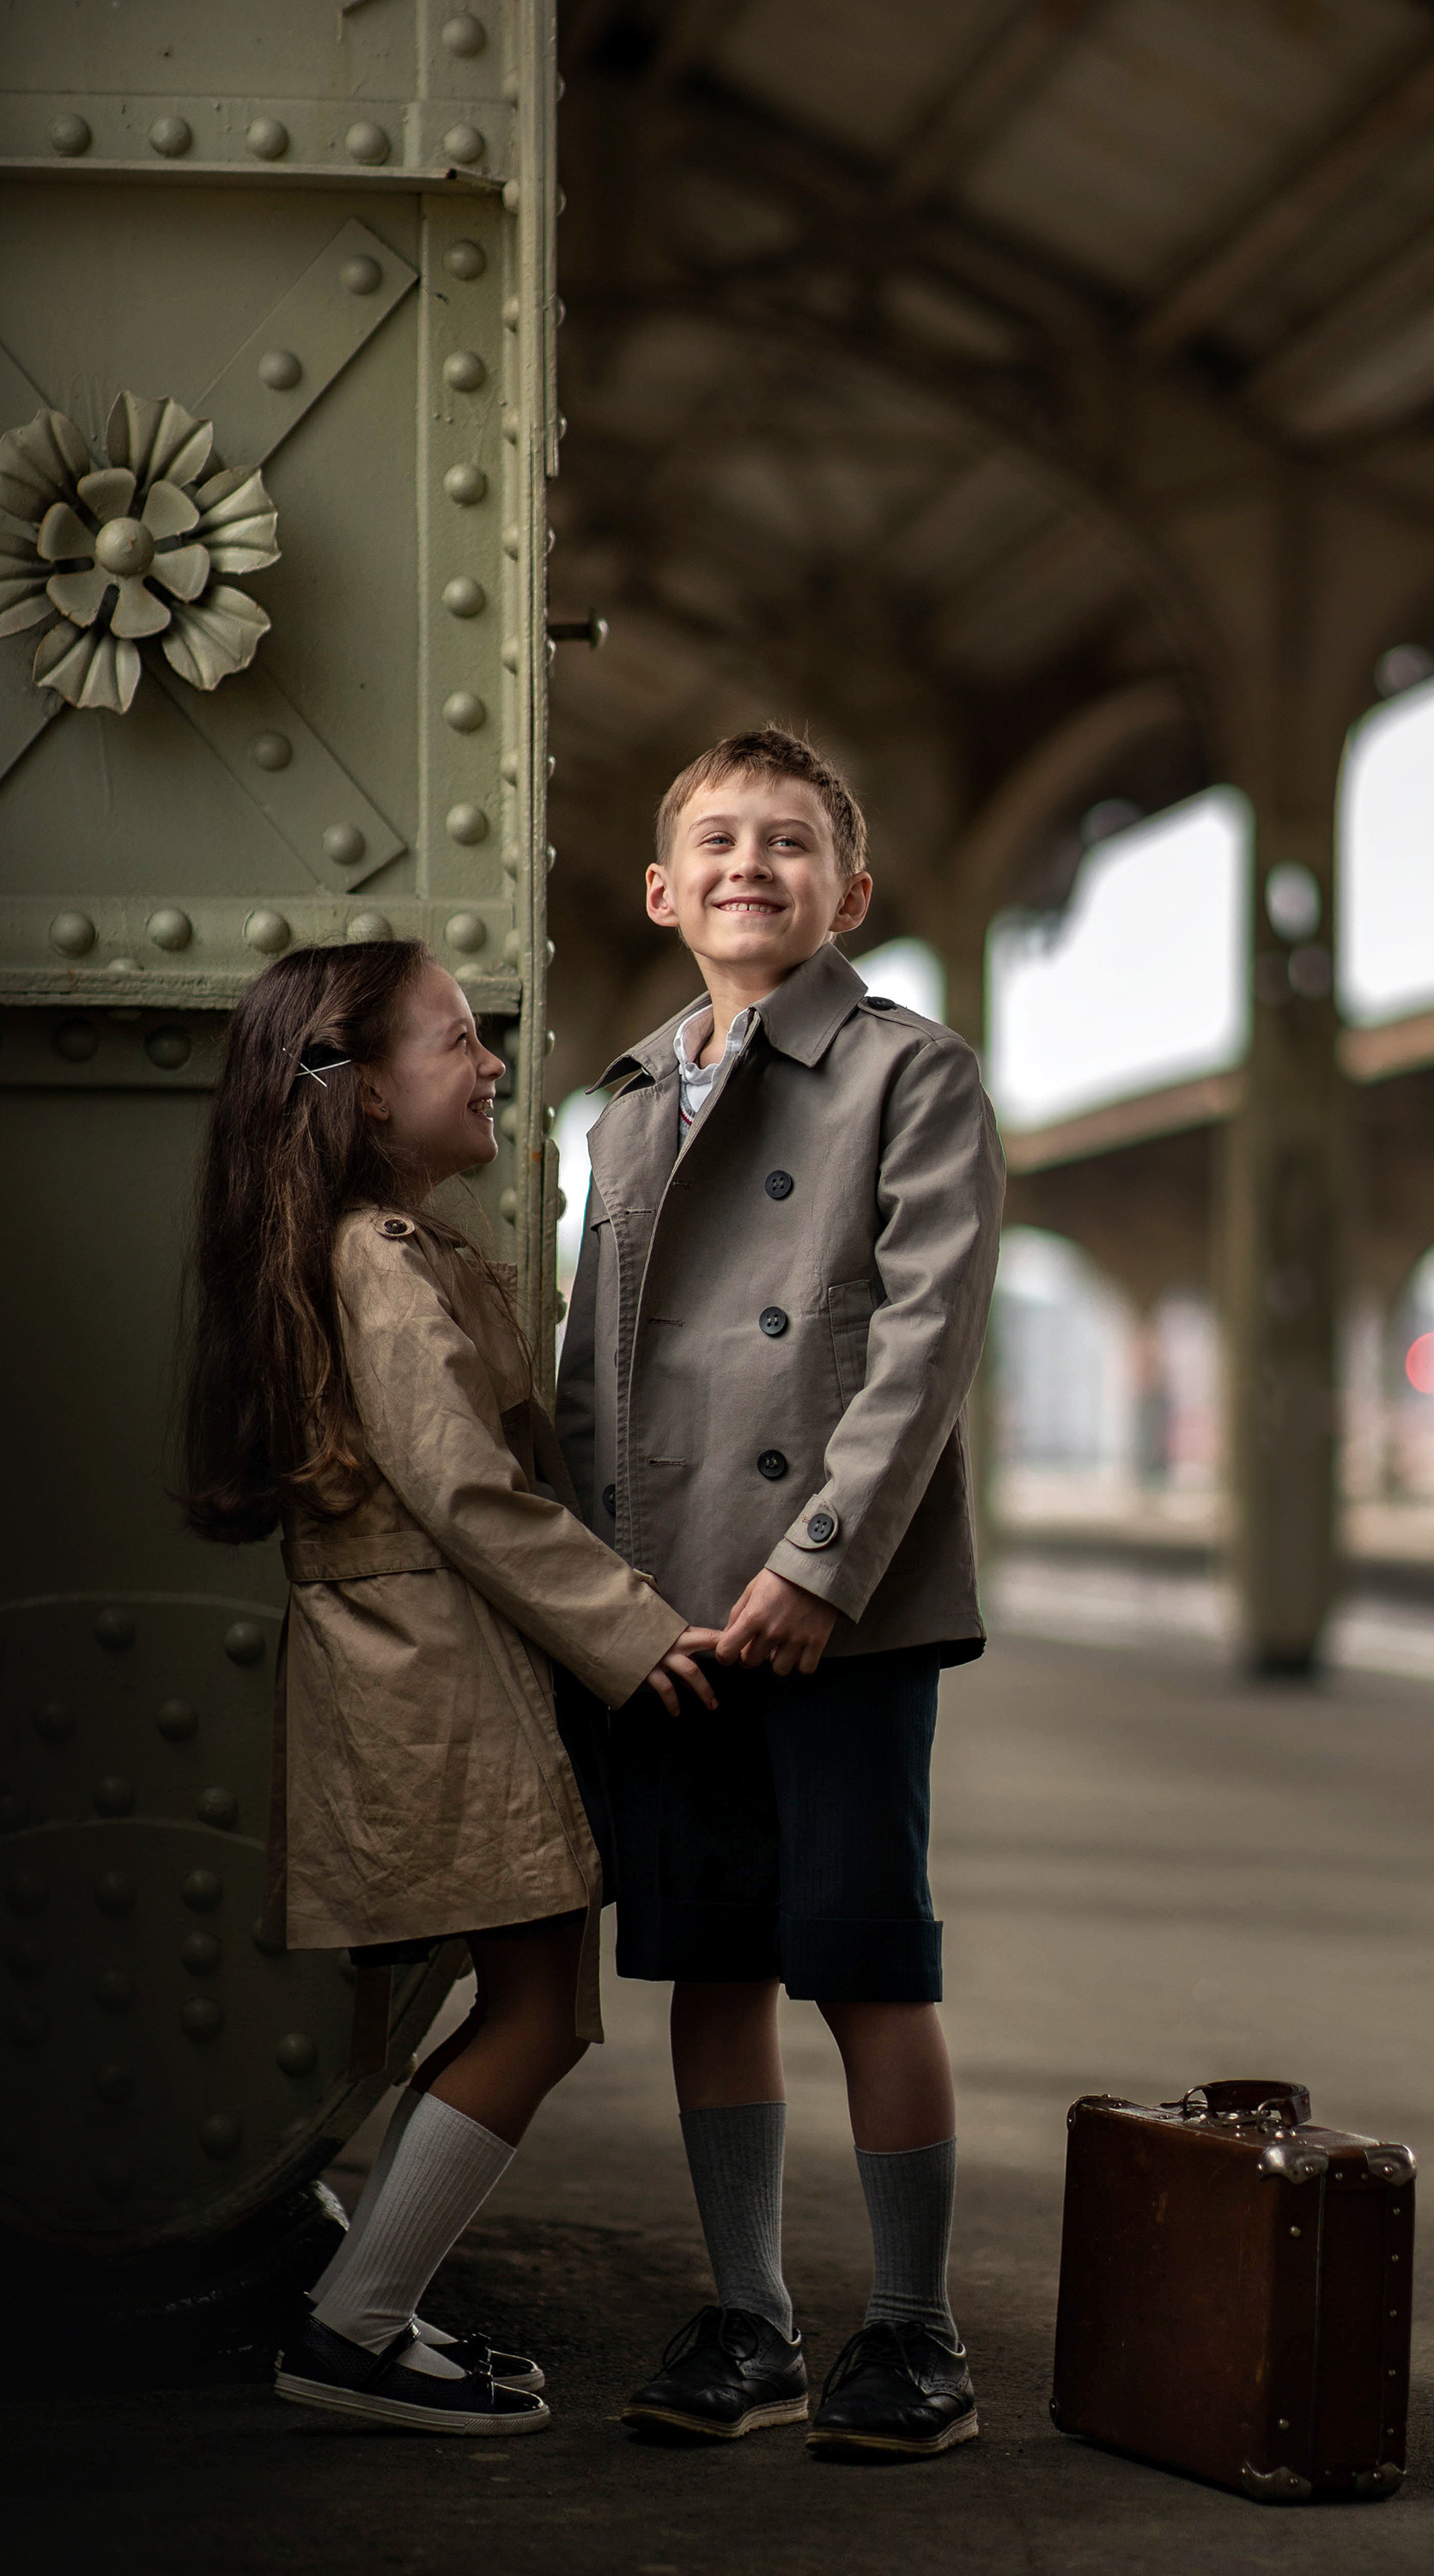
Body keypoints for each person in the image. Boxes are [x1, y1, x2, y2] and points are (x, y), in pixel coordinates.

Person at [181, 938, 718, 2436]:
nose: (492, 1063)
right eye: (455, 1040)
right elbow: (469, 1492)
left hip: (433, 1671)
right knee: (540, 2009)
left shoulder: (380, 1253)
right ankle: (354, 2332)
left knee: (529, 2000)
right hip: (437, 1681)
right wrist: (642, 1635)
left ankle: (372, 2314)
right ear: (357, 1099)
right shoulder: (378, 1261)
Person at [556, 727, 1006, 2458]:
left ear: (850, 894)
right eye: (718, 842)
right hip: (668, 1615)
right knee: (712, 1966)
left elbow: (924, 1342)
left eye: (792, 842)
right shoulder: (626, 1096)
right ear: (661, 893)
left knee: (865, 1963)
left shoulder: (913, 1071)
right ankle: (747, 2317)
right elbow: (594, 1376)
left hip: (842, 1607)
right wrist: (606, 1605)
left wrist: (818, 1564)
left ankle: (915, 2333)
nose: (753, 864)